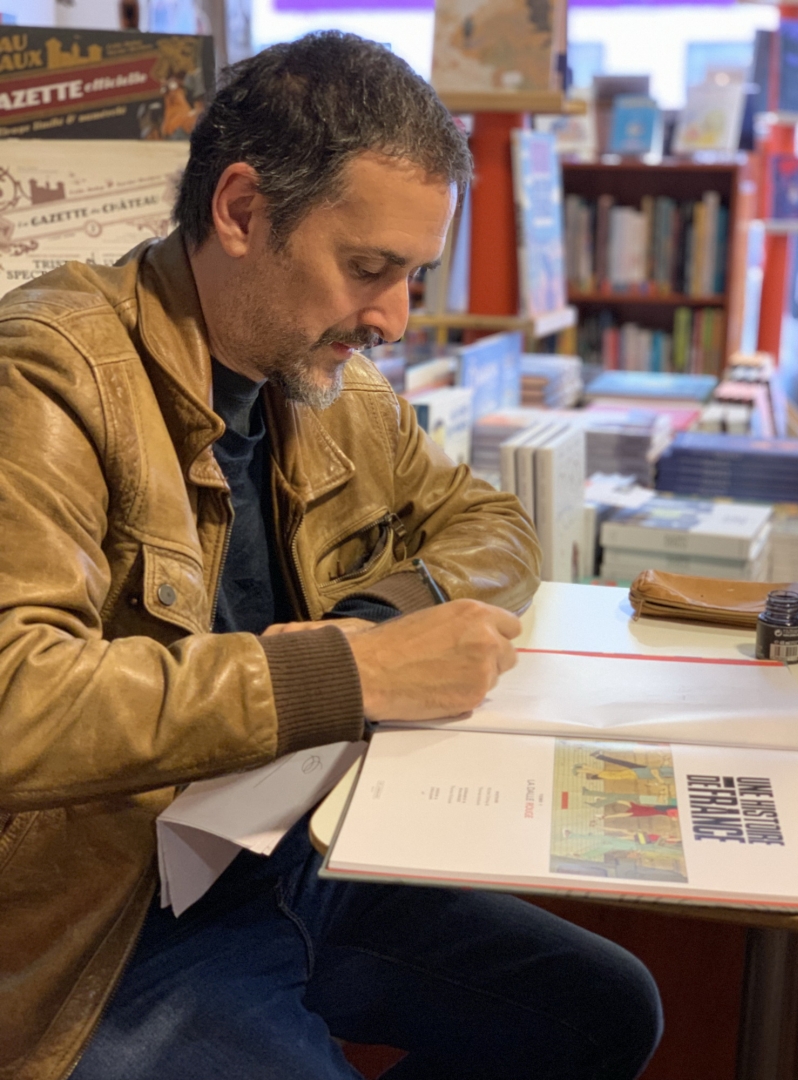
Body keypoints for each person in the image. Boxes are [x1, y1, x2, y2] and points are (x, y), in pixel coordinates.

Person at [0, 32, 662, 1080]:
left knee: (606, 1011)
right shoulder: (49, 378)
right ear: (241, 211)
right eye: (367, 269)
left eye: (414, 276)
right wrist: (345, 674)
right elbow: (17, 699)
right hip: (104, 923)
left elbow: (493, 524)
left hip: (286, 850)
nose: (394, 318)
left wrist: (380, 624)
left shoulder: (328, 383)